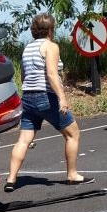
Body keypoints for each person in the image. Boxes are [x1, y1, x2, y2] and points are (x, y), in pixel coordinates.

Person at [5, 12, 94, 192]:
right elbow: (52, 74)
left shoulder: (27, 48)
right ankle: (72, 175)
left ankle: (11, 179)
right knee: (72, 133)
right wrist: (62, 98)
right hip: (46, 96)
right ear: (50, 30)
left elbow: (23, 75)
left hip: (28, 96)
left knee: (23, 140)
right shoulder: (50, 46)